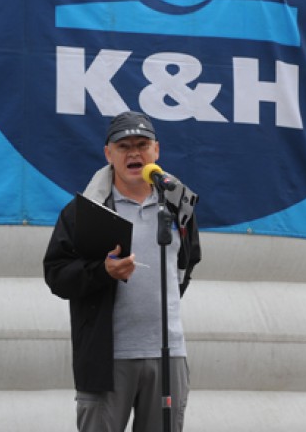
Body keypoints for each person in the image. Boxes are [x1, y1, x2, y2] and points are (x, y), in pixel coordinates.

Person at [43, 111, 202, 432]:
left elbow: (186, 266)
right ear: (108, 154)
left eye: (142, 145)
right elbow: (56, 274)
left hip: (168, 355)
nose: (134, 153)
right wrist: (102, 272)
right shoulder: (86, 211)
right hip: (106, 359)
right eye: (123, 146)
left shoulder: (178, 206)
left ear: (156, 150)